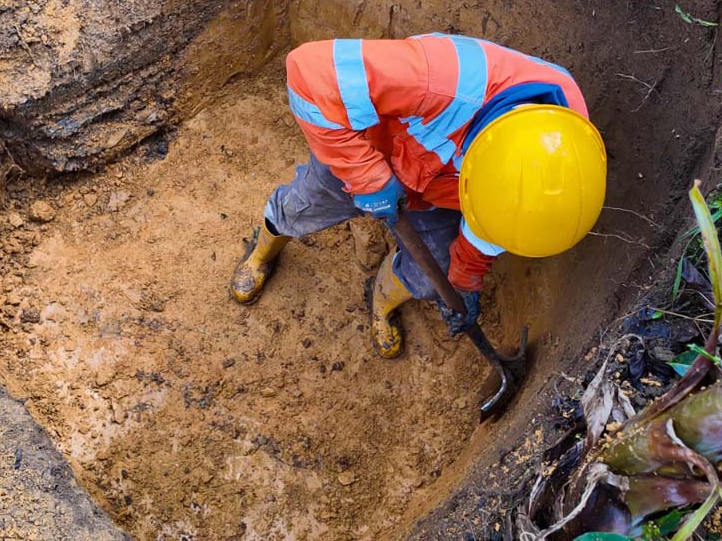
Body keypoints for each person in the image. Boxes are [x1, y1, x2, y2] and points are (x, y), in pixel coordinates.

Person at [228, 33, 606, 358]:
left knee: (429, 278)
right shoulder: (441, 79)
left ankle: (380, 301)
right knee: (299, 208)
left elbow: (497, 221)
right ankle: (262, 253)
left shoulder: (563, 155)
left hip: (436, 188)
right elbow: (307, 71)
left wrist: (464, 280)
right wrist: (368, 177)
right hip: (368, 153)